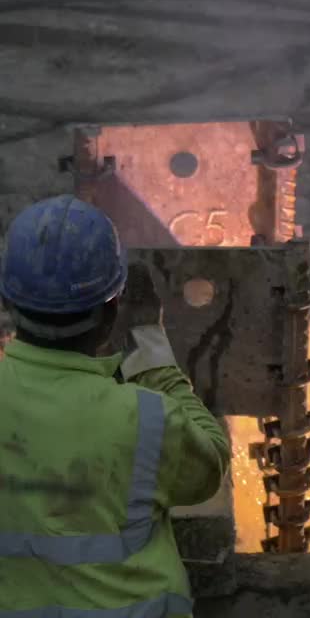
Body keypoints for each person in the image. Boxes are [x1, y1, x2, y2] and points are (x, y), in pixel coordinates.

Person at [0, 195, 230, 618]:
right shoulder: (146, 418)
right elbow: (210, 463)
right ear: (111, 312)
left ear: (8, 305)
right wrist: (150, 347)